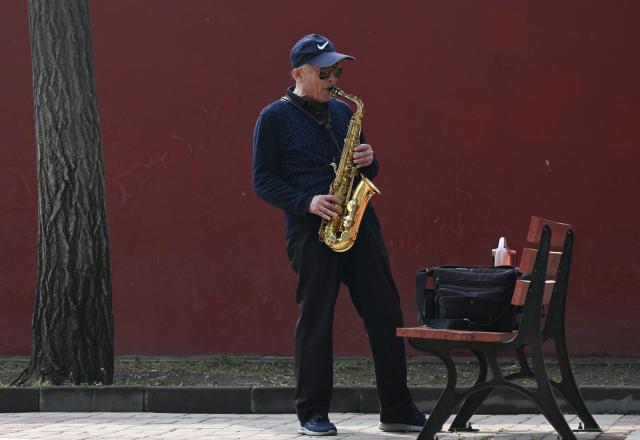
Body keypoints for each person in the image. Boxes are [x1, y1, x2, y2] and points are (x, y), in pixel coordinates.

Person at [252, 34, 425, 436]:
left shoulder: (346, 112)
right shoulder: (273, 117)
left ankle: (397, 409)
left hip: (359, 222)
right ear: (298, 73)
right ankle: (312, 411)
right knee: (317, 318)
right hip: (312, 230)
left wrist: (370, 161)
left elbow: (365, 168)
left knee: (386, 313)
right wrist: (306, 202)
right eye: (324, 72)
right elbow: (262, 180)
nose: (334, 78)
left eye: (337, 71)